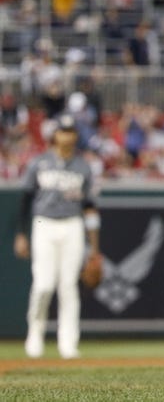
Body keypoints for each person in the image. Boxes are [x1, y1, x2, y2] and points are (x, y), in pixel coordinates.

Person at [13, 114, 101, 360]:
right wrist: (21, 234)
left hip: (73, 224)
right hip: (44, 223)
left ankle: (68, 343)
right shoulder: (39, 163)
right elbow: (25, 200)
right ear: (55, 135)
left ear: (75, 135)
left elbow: (90, 207)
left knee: (68, 287)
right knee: (43, 285)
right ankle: (35, 334)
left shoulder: (83, 166)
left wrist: (94, 246)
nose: (67, 135)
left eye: (71, 131)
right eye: (63, 131)